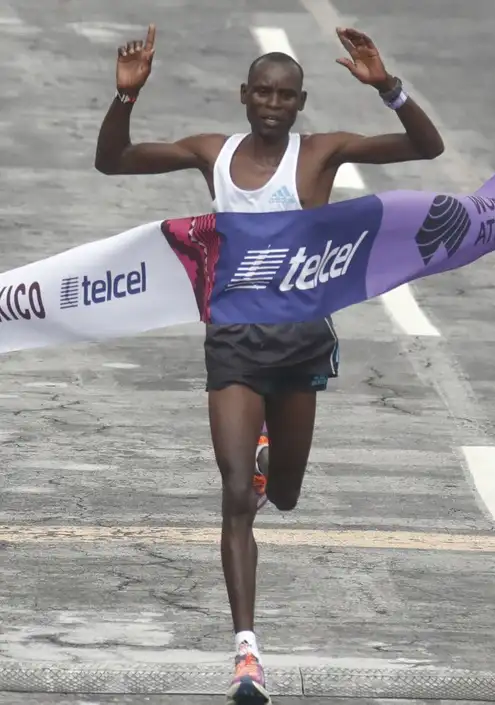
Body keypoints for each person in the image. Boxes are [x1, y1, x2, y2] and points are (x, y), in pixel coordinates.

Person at [94, 23, 444, 705]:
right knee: (234, 494)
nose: (273, 104)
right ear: (244, 96)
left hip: (301, 344)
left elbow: (426, 147)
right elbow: (114, 161)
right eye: (263, 92)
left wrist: (388, 88)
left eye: (285, 96)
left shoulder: (320, 155)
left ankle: (266, 461)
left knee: (281, 493)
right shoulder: (211, 154)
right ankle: (246, 653)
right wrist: (125, 98)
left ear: (300, 101)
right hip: (231, 340)